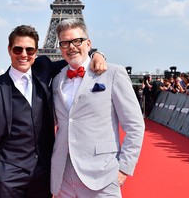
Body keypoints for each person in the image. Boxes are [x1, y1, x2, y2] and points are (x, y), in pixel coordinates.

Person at [0, 24, 107, 198]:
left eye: (29, 50)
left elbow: (75, 59)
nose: (23, 55)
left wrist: (97, 54)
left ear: (36, 52)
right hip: (7, 175)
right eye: (18, 49)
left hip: (43, 174)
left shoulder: (43, 69)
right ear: (9, 50)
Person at [50, 19, 145, 198]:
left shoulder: (113, 73)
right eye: (65, 43)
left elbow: (135, 125)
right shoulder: (56, 79)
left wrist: (124, 168)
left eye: (77, 41)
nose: (71, 47)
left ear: (88, 43)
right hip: (63, 175)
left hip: (101, 174)